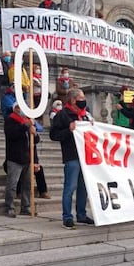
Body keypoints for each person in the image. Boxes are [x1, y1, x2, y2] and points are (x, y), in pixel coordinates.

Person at [50, 88, 94, 229]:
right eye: (81, 98)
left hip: (86, 155)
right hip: (72, 155)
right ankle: (67, 217)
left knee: (83, 187)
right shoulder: (63, 115)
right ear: (73, 100)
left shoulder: (86, 115)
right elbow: (53, 135)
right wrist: (68, 130)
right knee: (70, 186)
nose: (83, 100)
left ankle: (81, 214)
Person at [4, 102, 38, 217]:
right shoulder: (10, 120)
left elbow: (35, 141)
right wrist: (26, 126)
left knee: (27, 184)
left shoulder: (27, 121)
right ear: (15, 109)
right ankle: (9, 207)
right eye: (19, 107)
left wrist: (34, 133)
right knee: (12, 184)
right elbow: (12, 134)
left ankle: (26, 206)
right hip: (15, 157)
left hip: (27, 158)